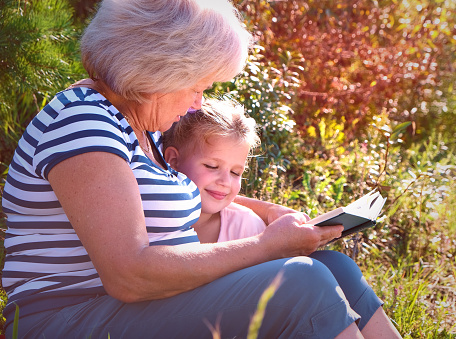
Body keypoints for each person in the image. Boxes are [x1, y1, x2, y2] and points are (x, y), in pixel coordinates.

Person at [1, 0, 402, 337]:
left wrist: (269, 214)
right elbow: (129, 274)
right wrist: (266, 247)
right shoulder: (82, 123)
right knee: (303, 282)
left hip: (131, 307)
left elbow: (150, 193)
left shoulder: (143, 128)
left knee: (335, 267)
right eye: (197, 85)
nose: (198, 102)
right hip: (67, 318)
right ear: (157, 69)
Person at [163, 97, 266, 243]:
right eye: (212, 166)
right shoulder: (147, 220)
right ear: (173, 161)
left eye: (235, 173)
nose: (225, 182)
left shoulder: (248, 229)